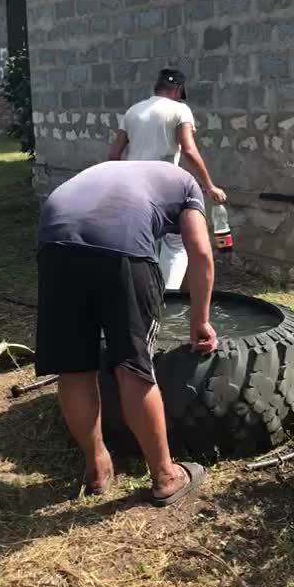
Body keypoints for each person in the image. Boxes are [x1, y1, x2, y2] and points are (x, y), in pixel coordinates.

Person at [36, 160, 217, 506]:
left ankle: (96, 467)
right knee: (132, 365)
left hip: (56, 239)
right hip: (121, 244)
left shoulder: (115, 171)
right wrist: (200, 319)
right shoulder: (189, 184)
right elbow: (201, 253)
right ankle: (165, 476)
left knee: (74, 367)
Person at [108, 68, 227, 289]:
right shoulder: (180, 110)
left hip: (132, 186)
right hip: (163, 187)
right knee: (176, 243)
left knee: (146, 241)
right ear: (178, 89)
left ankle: (144, 294)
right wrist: (210, 186)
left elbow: (114, 155)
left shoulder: (132, 111)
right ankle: (166, 299)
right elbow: (189, 150)